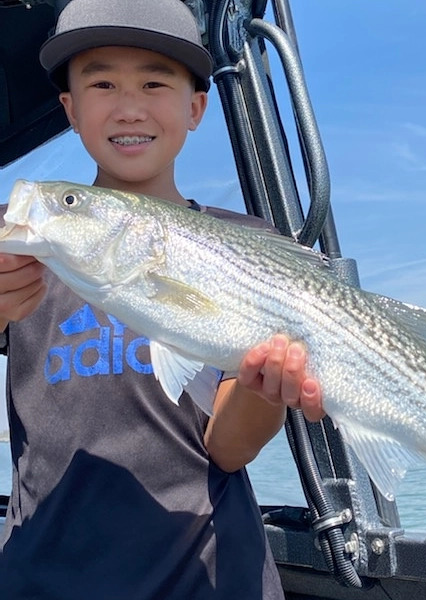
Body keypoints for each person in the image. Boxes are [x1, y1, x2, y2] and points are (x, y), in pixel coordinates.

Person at [0, 0, 324, 598]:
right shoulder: (21, 243)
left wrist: (264, 389)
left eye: (155, 81)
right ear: (69, 108)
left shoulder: (251, 248)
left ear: (195, 107)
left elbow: (227, 450)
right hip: (40, 579)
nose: (129, 106)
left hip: (211, 576)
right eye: (101, 82)